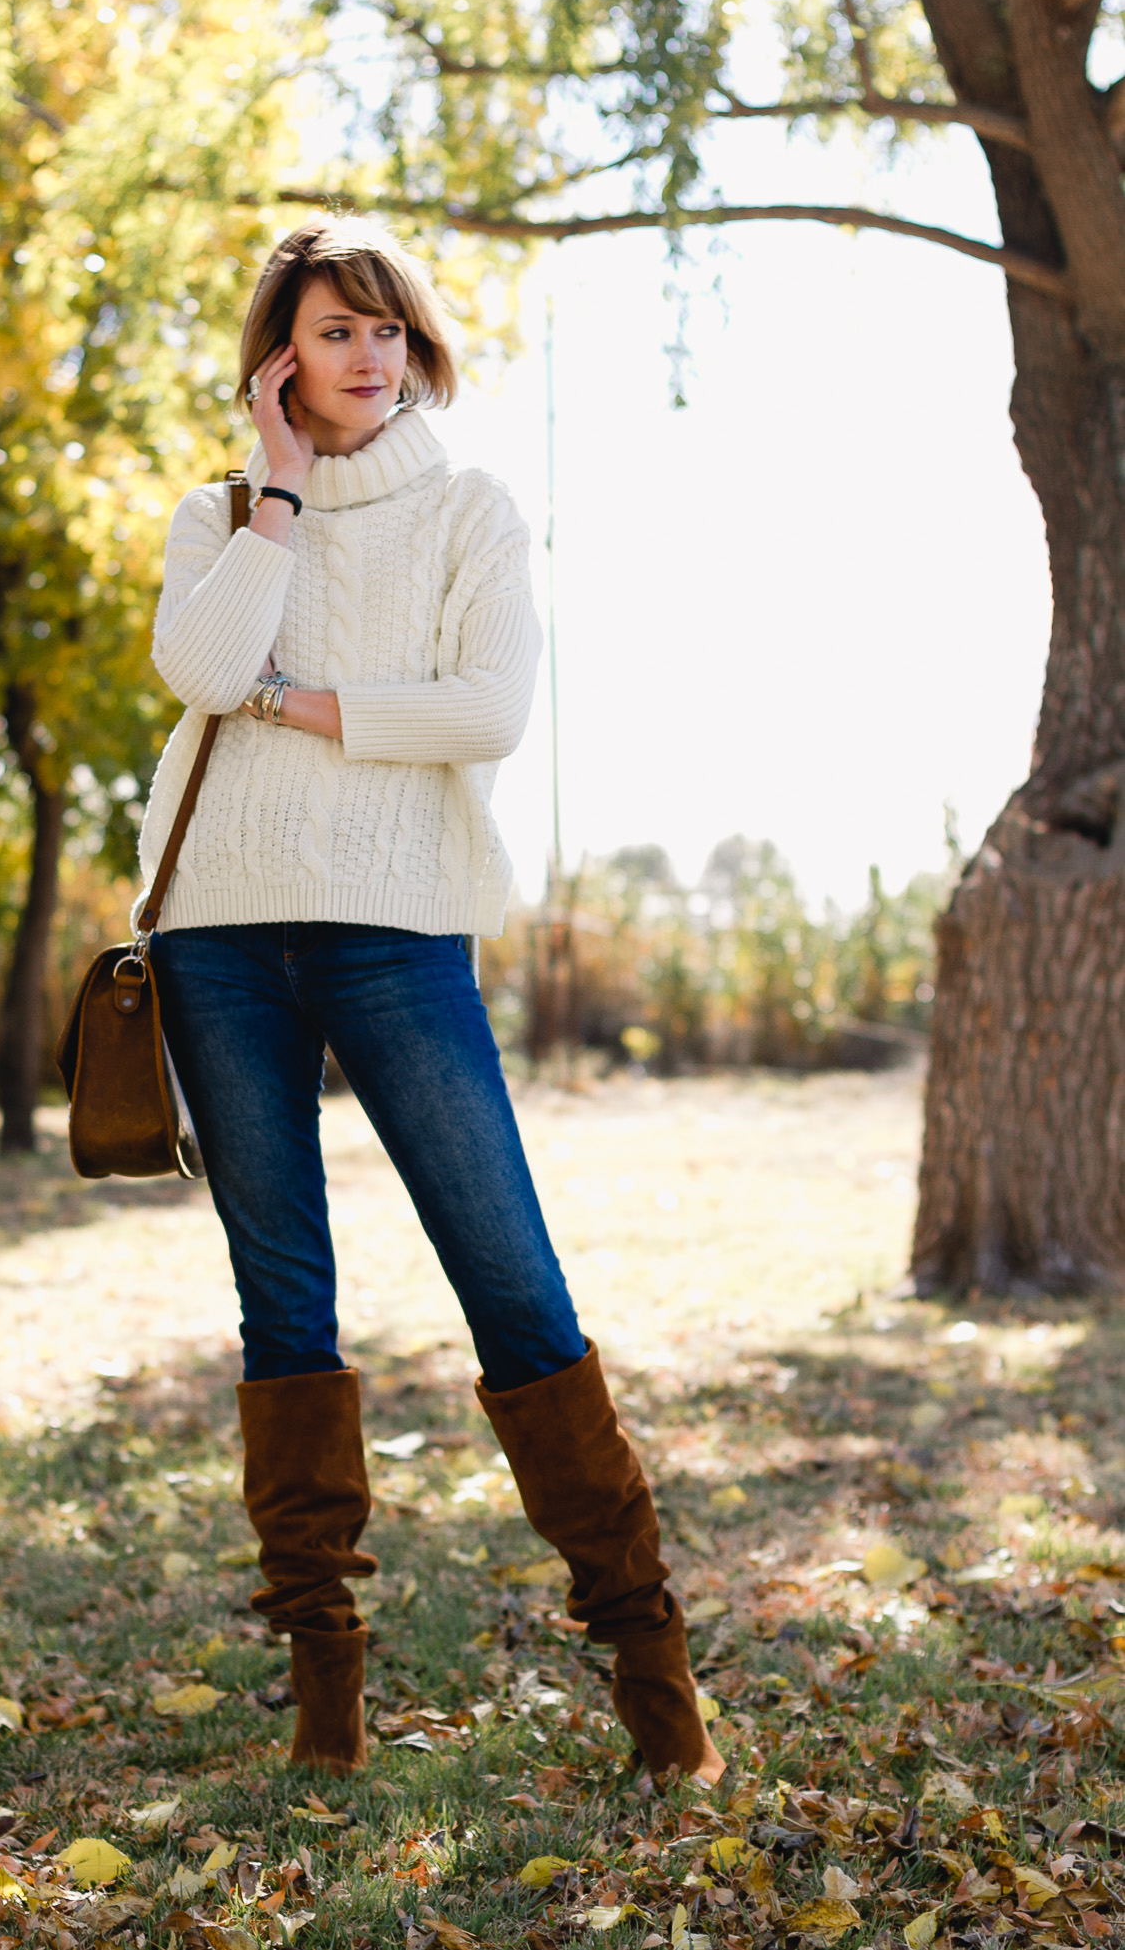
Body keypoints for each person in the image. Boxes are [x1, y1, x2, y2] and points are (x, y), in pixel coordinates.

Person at [138, 215, 724, 1788]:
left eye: (388, 329)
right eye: (337, 332)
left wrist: (298, 704)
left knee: (510, 1279)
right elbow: (197, 667)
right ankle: (324, 1684)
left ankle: (649, 1663)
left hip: (396, 930)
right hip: (218, 938)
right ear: (280, 357)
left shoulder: (470, 509)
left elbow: (490, 712)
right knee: (286, 1304)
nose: (372, 355)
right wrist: (271, 499)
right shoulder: (218, 513)